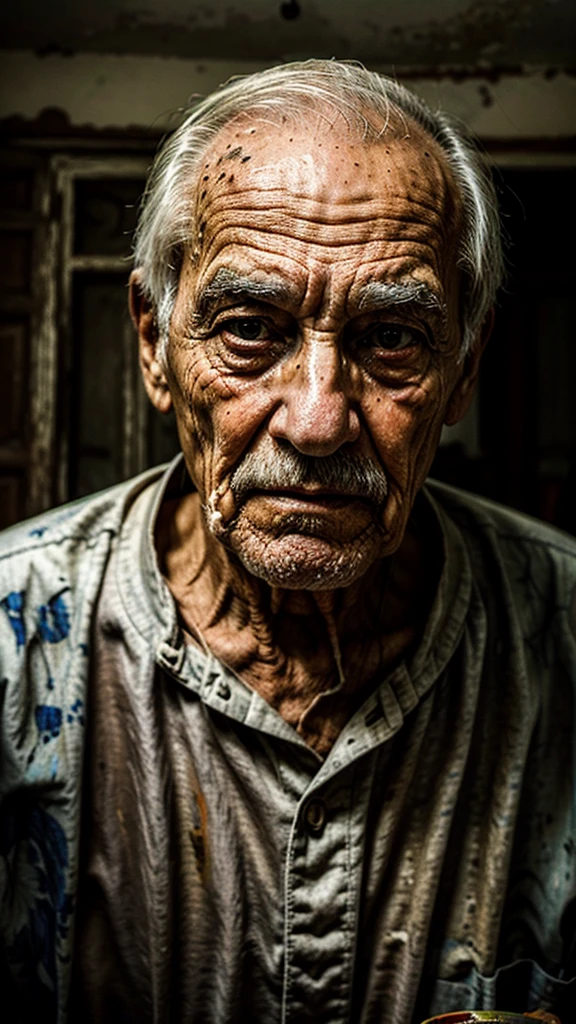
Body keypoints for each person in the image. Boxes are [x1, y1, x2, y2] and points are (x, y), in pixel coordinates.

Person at [0, 60, 574, 1024]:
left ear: (461, 373)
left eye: (392, 339)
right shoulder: (14, 649)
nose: (317, 420)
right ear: (155, 341)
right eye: (249, 329)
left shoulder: (562, 634)